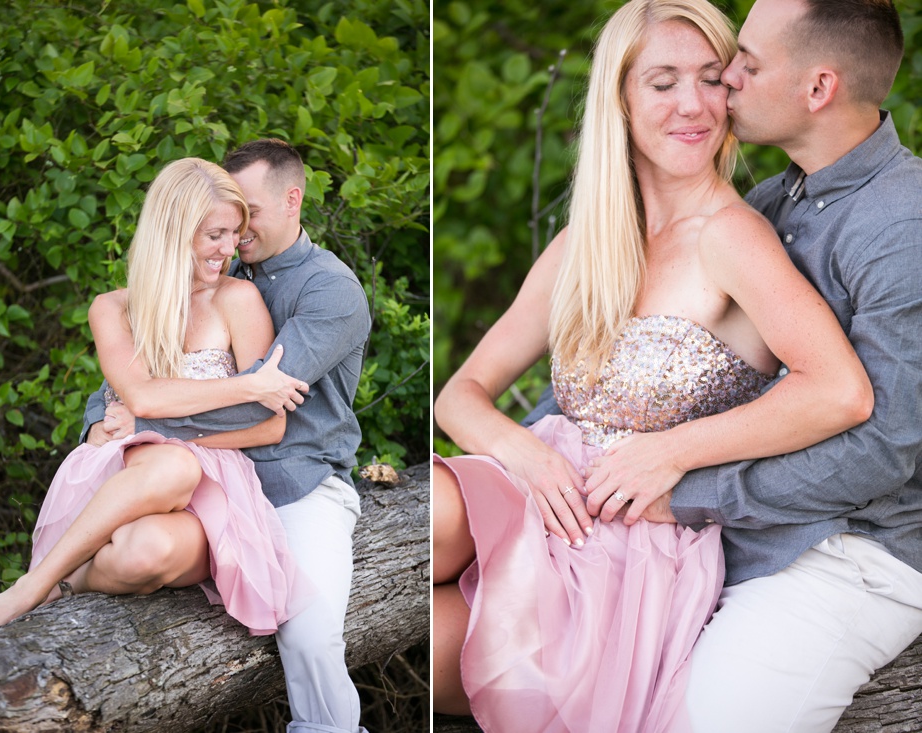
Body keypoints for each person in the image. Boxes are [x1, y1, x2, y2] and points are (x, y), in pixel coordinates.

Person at [431, 0, 875, 730]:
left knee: (445, 638)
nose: (693, 104)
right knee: (435, 515)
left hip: (627, 543)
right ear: (621, 99)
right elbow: (461, 395)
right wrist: (524, 453)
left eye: (709, 78)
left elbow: (841, 391)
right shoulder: (587, 242)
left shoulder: (733, 236)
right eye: (663, 82)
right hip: (541, 485)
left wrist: (670, 451)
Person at [644, 1, 921, 730]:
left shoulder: (904, 225)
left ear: (819, 87)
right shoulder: (768, 204)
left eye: (750, 63)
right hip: (732, 532)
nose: (725, 79)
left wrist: (682, 491)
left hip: (855, 555)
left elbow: (884, 451)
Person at [85, 139, 371, 733]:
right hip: (203, 480)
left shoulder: (328, 292)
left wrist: (144, 420)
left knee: (311, 635)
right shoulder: (215, 265)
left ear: (293, 200)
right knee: (131, 548)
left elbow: (259, 407)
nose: (238, 235)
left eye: (253, 216)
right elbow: (145, 369)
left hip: (294, 486)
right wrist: (102, 416)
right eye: (231, 220)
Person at [0, 157, 308, 637]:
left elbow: (272, 425)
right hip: (126, 471)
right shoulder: (114, 309)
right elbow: (141, 395)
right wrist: (248, 386)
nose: (230, 248)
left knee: (148, 548)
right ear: (174, 231)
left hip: (213, 485)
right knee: (171, 465)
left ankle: (67, 580)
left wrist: (159, 429)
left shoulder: (237, 301)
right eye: (215, 235)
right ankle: (30, 586)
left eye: (235, 232)